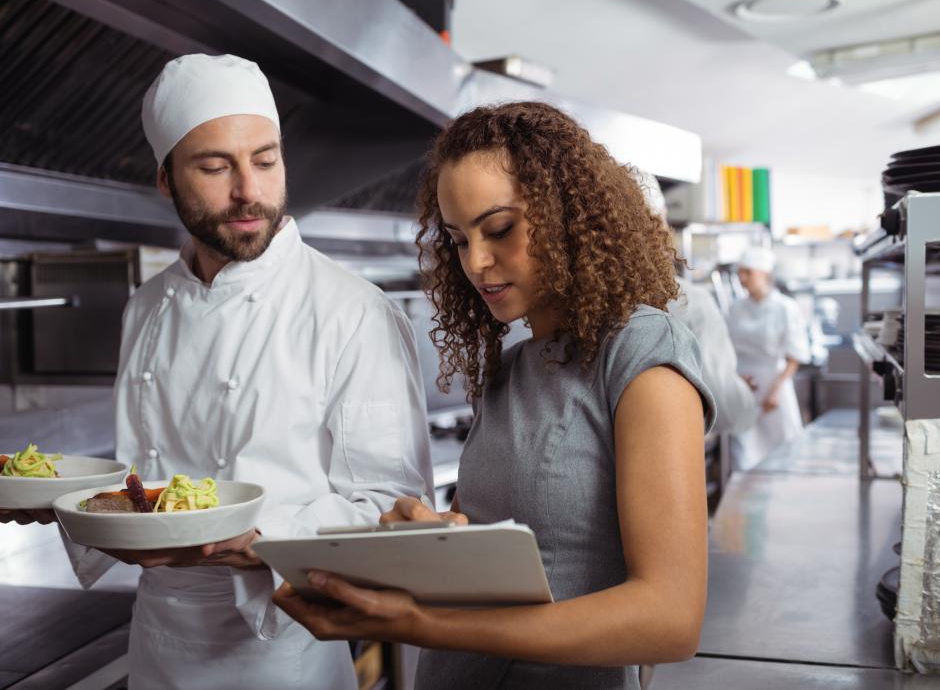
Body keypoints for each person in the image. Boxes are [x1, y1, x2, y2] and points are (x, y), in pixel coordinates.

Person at [272, 101, 716, 689]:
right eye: (457, 240)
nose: (476, 262)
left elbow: (670, 619)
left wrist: (428, 622)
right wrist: (429, 543)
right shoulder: (509, 368)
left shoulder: (638, 351)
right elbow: (527, 553)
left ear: (565, 214)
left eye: (500, 229)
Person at [48, 54, 432, 690]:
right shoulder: (145, 306)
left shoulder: (350, 310)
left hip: (284, 654)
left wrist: (261, 539)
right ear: (167, 180)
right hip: (158, 644)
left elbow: (391, 507)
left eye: (265, 159)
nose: (249, 191)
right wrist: (67, 508)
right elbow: (140, 486)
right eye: (215, 166)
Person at [639, 172, 756, 435]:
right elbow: (727, 408)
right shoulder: (690, 303)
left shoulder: (560, 306)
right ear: (659, 222)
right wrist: (742, 394)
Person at [727, 246, 811, 470]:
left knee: (782, 451)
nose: (742, 279)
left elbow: (795, 355)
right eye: (740, 273)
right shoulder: (736, 308)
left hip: (775, 384)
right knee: (743, 453)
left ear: (764, 274)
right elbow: (727, 349)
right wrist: (736, 380)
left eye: (748, 273)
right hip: (744, 385)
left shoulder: (785, 307)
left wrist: (776, 390)